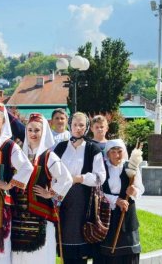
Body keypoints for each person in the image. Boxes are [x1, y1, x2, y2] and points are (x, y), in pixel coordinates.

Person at [11, 113, 73, 264]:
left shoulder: (48, 156)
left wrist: (50, 193)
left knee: (40, 257)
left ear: (44, 132)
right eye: (30, 130)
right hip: (19, 215)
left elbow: (67, 178)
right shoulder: (20, 154)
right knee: (19, 257)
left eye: (37, 130)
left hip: (41, 215)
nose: (33, 133)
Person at [0, 102, 34, 264]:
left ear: (4, 122)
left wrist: (9, 184)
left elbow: (27, 167)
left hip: (1, 205)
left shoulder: (10, 146)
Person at [53, 112, 106, 264]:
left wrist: (79, 178)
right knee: (65, 245)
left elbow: (100, 177)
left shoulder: (92, 148)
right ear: (69, 125)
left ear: (87, 127)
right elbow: (52, 174)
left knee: (80, 247)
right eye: (75, 124)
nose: (78, 128)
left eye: (81, 125)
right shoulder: (61, 148)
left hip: (83, 202)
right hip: (63, 200)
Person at [94, 139, 144, 264]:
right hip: (108, 215)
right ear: (107, 154)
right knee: (108, 253)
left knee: (128, 253)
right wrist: (115, 200)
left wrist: (134, 191)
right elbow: (96, 191)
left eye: (120, 151)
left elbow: (140, 189)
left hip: (127, 215)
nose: (117, 155)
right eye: (113, 152)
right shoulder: (102, 168)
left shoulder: (131, 167)